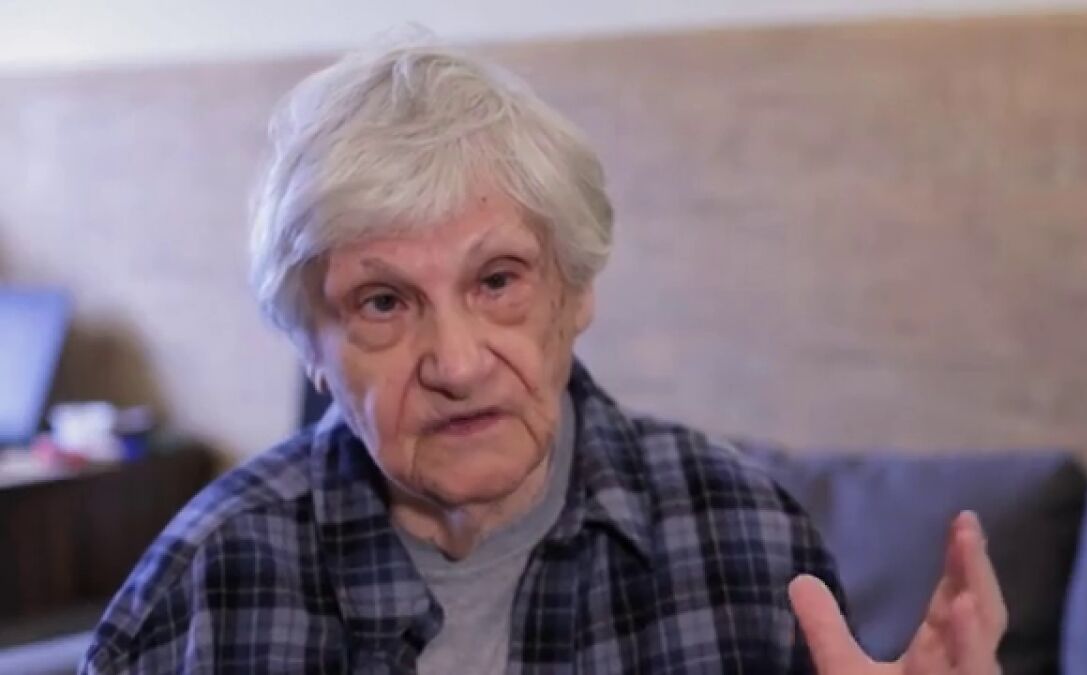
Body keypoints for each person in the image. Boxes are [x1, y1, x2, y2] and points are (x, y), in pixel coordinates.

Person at [82, 39, 1005, 674]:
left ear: (576, 292)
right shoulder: (203, 586)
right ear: (311, 349)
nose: (457, 364)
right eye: (383, 302)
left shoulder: (747, 538)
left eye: (498, 280)